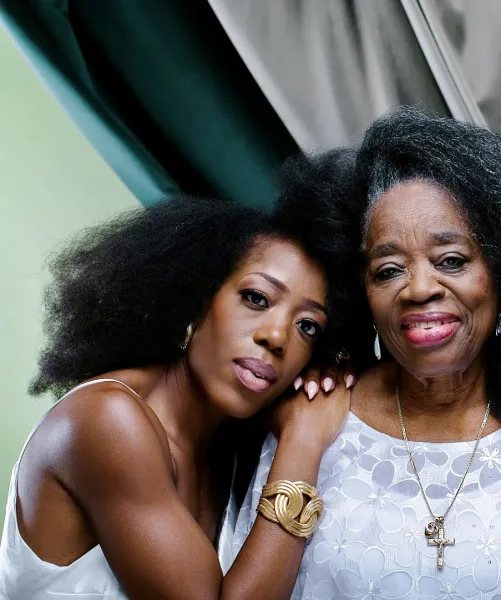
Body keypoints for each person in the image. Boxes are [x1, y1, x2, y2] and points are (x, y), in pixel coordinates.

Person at [228, 108, 501, 599]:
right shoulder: (314, 423)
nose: (419, 289)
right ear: (359, 288)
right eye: (389, 270)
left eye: (451, 260)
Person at [0, 191, 351, 599]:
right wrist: (304, 438)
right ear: (195, 298)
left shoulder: (228, 451)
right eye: (256, 298)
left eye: (308, 326)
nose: (276, 337)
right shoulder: (107, 420)